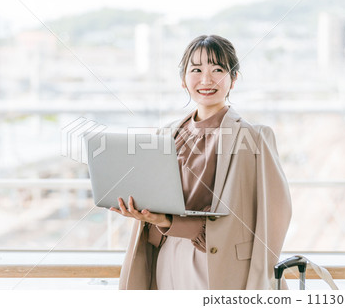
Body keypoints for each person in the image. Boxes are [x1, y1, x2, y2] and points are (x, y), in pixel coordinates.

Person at [110, 35, 292, 290]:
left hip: (217, 261)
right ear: (183, 79)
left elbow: (274, 215)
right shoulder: (165, 135)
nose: (206, 80)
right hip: (166, 254)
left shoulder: (253, 137)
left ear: (234, 78)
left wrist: (261, 277)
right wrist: (141, 212)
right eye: (196, 70)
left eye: (218, 69)